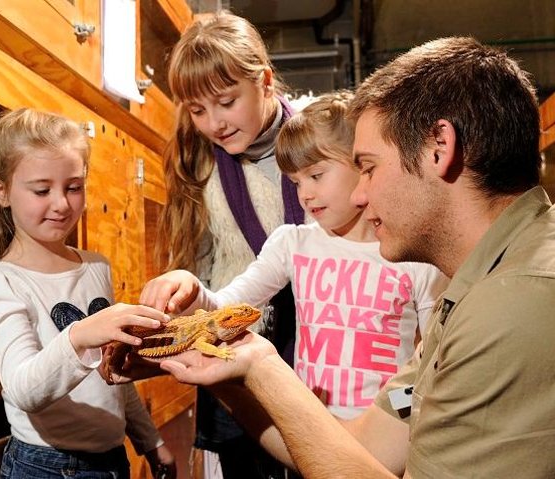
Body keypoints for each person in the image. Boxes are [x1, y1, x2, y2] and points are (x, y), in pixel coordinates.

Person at [153, 36, 555, 478]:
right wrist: (238, 372)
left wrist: (255, 367)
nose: (361, 195)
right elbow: (362, 452)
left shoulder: (515, 303)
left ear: (439, 147)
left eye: (368, 166)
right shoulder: (473, 288)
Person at [141, 91, 449, 420]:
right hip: (311, 428)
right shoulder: (293, 244)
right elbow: (227, 307)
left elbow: (434, 357)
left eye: (316, 176)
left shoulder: (413, 256)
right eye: (296, 182)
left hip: (384, 437)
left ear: (361, 165)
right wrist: (190, 287)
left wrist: (401, 418)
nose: (306, 194)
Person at [0, 108, 176, 479]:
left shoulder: (96, 267)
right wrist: (80, 335)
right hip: (46, 466)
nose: (61, 203)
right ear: (1, 191)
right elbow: (24, 388)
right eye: (42, 190)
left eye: (73, 187)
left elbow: (113, 370)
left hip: (112, 459)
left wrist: (150, 441)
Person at [157, 10, 304, 478]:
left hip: (316, 345)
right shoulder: (199, 165)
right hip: (236, 345)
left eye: (225, 101)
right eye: (198, 110)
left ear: (263, 81)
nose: (214, 123)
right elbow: (201, 265)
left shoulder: (322, 143)